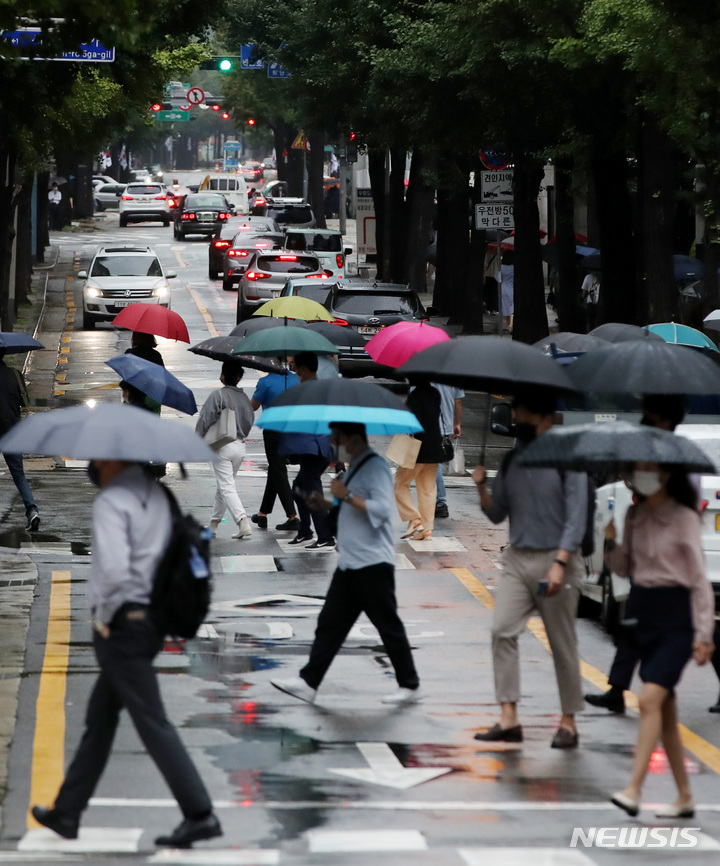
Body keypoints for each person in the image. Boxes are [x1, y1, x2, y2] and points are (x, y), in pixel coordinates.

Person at [31, 460, 222, 847]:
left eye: (98, 458)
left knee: (152, 722)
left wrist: (103, 620)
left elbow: (115, 571)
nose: (93, 465)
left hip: (123, 625)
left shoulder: (113, 501)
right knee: (99, 719)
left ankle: (200, 813)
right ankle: (68, 811)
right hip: (151, 621)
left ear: (115, 460)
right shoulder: (158, 494)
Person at [270, 422, 421, 704]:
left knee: (387, 625)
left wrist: (346, 495)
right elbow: (351, 507)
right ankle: (308, 682)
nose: (332, 444)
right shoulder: (354, 465)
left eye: (336, 438)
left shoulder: (374, 467)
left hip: (372, 564)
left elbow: (382, 510)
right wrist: (326, 503)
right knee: (330, 624)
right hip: (351, 562)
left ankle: (410, 685)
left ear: (352, 439)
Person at [472, 388, 587, 749]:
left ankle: (568, 721)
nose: (511, 416)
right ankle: (509, 718)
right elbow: (497, 514)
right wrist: (480, 489)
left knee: (561, 642)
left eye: (517, 409)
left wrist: (559, 564)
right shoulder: (512, 461)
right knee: (502, 630)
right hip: (518, 559)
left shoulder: (569, 457)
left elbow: (577, 517)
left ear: (536, 414)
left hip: (557, 560)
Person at [605, 464, 714, 818]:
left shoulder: (683, 517)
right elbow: (623, 568)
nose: (641, 475)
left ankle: (634, 789)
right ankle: (684, 796)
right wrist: (610, 540)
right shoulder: (636, 513)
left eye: (649, 469)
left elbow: (699, 580)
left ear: (667, 474)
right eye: (638, 470)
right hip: (643, 612)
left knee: (649, 698)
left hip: (676, 617)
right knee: (665, 711)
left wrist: (703, 634)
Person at [585, 395, 689, 714]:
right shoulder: (651, 444)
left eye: (651, 415)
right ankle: (617, 689)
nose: (645, 419)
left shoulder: (676, 456)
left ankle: (637, 690)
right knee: (632, 620)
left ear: (667, 419)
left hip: (670, 555)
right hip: (644, 544)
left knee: (700, 627)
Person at [279, 352, 335, 549]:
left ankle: (325, 535)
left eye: (295, 366)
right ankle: (305, 531)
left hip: (312, 447)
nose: (294, 370)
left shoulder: (306, 390)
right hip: (317, 447)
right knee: (298, 490)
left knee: (311, 492)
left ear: (302, 368)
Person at [195, 361, 255, 539]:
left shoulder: (218, 395)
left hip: (221, 446)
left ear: (222, 376)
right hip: (240, 446)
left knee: (227, 486)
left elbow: (205, 420)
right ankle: (213, 525)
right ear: (239, 377)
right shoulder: (245, 398)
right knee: (224, 486)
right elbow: (249, 420)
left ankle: (242, 520)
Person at [250, 366, 300, 532]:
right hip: (293, 430)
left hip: (273, 431)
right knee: (275, 468)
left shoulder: (265, 383)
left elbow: (253, 406)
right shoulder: (295, 379)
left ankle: (292, 516)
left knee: (278, 470)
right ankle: (262, 514)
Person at [393, 380, 443, 541]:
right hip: (434, 447)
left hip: (417, 448)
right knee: (428, 489)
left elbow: (414, 423)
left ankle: (414, 518)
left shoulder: (415, 395)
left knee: (400, 484)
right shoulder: (435, 394)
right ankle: (427, 528)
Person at [0, 351, 40, 530]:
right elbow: (23, 401)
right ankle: (32, 510)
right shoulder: (15, 375)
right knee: (18, 474)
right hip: (12, 429)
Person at [434, 382, 464, 519]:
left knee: (433, 465)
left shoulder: (425, 371)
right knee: (434, 464)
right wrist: (456, 424)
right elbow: (457, 401)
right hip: (445, 426)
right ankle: (438, 502)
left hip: (429, 424)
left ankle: (440, 503)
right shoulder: (453, 374)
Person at [500, 251, 514, 333]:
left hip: (503, 287)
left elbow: (497, 277)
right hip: (512, 287)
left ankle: (508, 324)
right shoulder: (514, 267)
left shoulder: (501, 267)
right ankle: (511, 325)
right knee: (512, 306)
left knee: (505, 307)